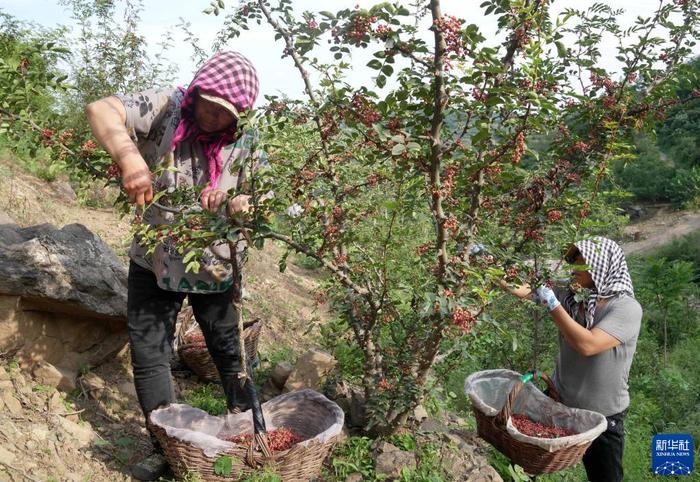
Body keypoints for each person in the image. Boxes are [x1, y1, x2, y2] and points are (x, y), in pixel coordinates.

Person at [86, 51, 264, 481]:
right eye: (206, 104)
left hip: (216, 265)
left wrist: (243, 204)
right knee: (150, 355)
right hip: (154, 258)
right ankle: (167, 447)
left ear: (238, 115)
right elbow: (101, 110)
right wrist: (129, 157)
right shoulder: (167, 107)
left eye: (224, 114)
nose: (211, 116)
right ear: (196, 91)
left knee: (229, 353)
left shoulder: (247, 141)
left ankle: (252, 439)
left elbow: (264, 200)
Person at [504, 237, 642, 482]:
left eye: (581, 262)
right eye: (572, 261)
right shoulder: (571, 296)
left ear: (603, 265)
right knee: (525, 460)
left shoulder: (626, 308)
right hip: (560, 402)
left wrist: (552, 305)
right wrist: (489, 267)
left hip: (602, 416)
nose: (574, 268)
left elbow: (587, 345)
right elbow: (525, 288)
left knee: (605, 478)